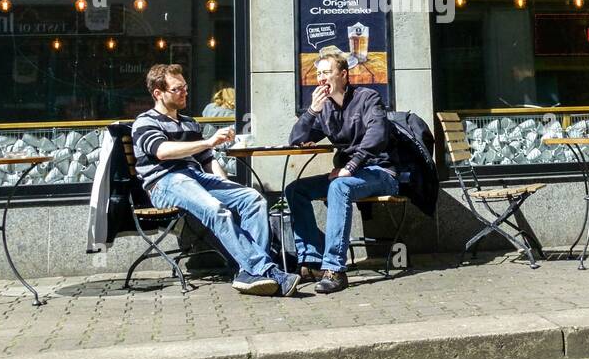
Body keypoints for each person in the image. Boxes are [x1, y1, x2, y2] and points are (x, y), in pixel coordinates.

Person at [132, 64, 297, 296]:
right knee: (216, 209)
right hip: (164, 182)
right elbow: (162, 151)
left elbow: (208, 161)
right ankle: (266, 270)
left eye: (185, 88)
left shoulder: (190, 123)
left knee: (253, 199)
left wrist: (227, 186)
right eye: (177, 89)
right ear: (158, 93)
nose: (184, 93)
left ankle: (248, 273)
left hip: (195, 179)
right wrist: (209, 141)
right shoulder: (146, 122)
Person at [285, 49, 398, 294]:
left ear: (344, 74)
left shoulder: (368, 98)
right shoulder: (324, 108)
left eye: (327, 72)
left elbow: (377, 136)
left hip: (381, 172)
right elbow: (296, 139)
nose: (321, 78)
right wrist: (312, 110)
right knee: (295, 190)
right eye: (318, 73)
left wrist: (350, 166)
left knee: (339, 186)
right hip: (349, 173)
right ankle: (313, 261)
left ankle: (335, 270)